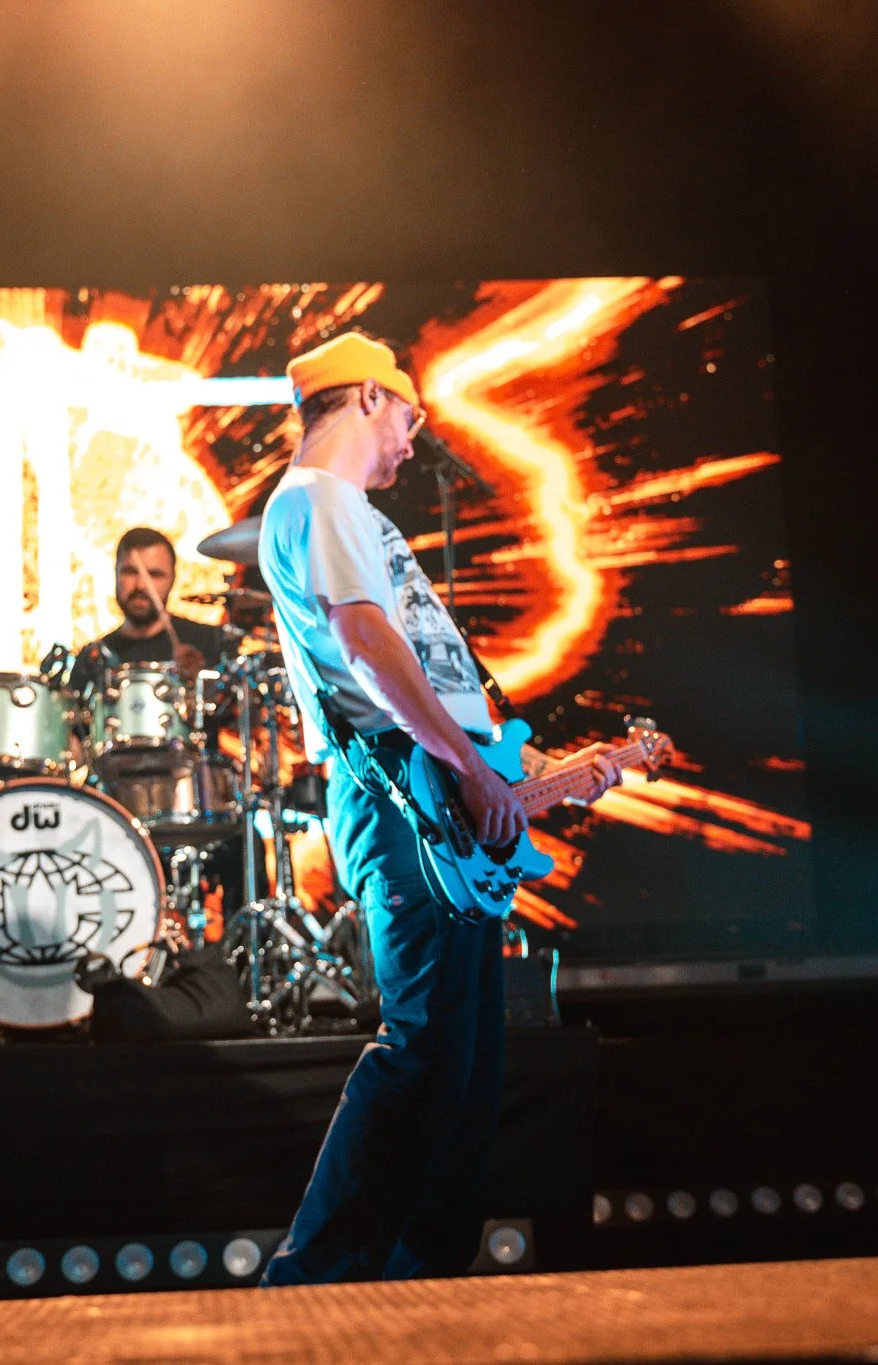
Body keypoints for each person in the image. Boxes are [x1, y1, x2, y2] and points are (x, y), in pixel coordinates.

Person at [255, 331, 619, 1284]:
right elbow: (367, 645)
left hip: (432, 783)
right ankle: (313, 1273)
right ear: (368, 397)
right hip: (399, 789)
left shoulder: (346, 512)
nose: (413, 443)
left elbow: (434, 680)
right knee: (423, 1045)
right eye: (409, 417)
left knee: (467, 1060)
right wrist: (466, 768)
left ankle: (426, 1277)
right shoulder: (319, 499)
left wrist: (533, 767)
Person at [68, 527, 225, 693]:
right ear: (116, 573)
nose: (141, 585)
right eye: (130, 572)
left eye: (155, 574)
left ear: (173, 579)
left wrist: (201, 680)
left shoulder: (212, 643)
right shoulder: (92, 660)